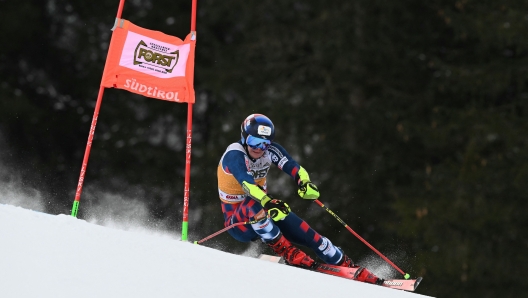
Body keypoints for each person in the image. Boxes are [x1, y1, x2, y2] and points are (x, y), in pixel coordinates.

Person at [216, 113, 383, 285]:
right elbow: (247, 184)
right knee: (254, 203)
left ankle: (347, 265)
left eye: (265, 143)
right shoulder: (234, 154)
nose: (259, 148)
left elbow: (294, 166)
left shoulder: (270, 151)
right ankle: (289, 252)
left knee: (312, 237)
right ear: (244, 138)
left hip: (265, 210)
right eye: (254, 141)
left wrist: (304, 182)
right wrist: (267, 201)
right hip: (238, 222)